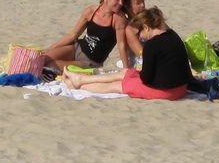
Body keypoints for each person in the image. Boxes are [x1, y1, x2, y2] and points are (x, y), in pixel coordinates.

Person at [63, 7, 191, 100]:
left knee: (117, 85)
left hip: (166, 91)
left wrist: (134, 76)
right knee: (125, 73)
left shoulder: (152, 44)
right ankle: (82, 79)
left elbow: (145, 78)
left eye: (140, 34)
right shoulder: (173, 36)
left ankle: (77, 85)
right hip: (181, 88)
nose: (141, 38)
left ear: (146, 27)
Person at [43, 0, 131, 73]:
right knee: (43, 59)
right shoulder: (91, 11)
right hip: (77, 48)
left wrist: (126, 69)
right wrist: (50, 48)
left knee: (51, 65)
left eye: (122, 0)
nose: (120, 3)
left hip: (90, 62)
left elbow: (121, 45)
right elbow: (73, 35)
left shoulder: (119, 18)